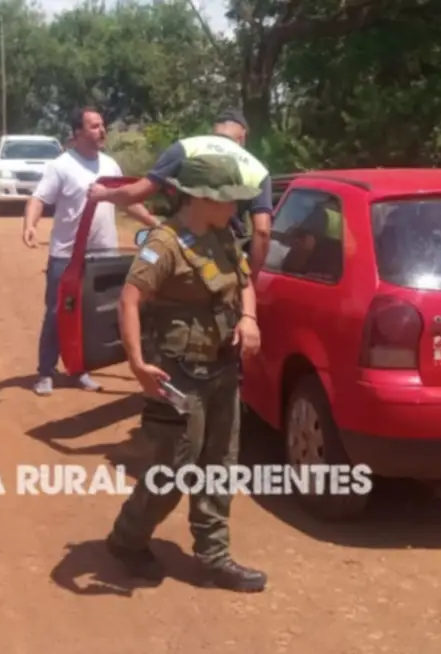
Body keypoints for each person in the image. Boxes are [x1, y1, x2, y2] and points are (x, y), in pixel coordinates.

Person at [103, 153, 267, 593]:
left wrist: (248, 318)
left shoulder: (224, 235)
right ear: (200, 198)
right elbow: (129, 300)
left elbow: (245, 283)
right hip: (178, 376)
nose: (236, 206)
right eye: (228, 198)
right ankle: (127, 538)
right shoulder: (165, 243)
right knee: (173, 470)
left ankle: (214, 556)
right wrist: (138, 365)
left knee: (220, 466)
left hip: (222, 370)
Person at [22, 106, 158, 396]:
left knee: (89, 316)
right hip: (67, 256)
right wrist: (30, 225)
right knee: (57, 314)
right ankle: (45, 372)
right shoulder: (61, 166)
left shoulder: (110, 165)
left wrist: (155, 223)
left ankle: (79, 369)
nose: (102, 130)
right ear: (78, 132)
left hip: (103, 256)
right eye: (95, 126)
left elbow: (126, 201)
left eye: (102, 125)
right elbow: (38, 199)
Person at [87, 109, 273, 274]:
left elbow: (138, 192)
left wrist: (104, 194)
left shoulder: (187, 147)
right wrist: (253, 277)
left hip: (181, 251)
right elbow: (262, 231)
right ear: (243, 135)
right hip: (225, 261)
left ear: (214, 130)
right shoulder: (257, 169)